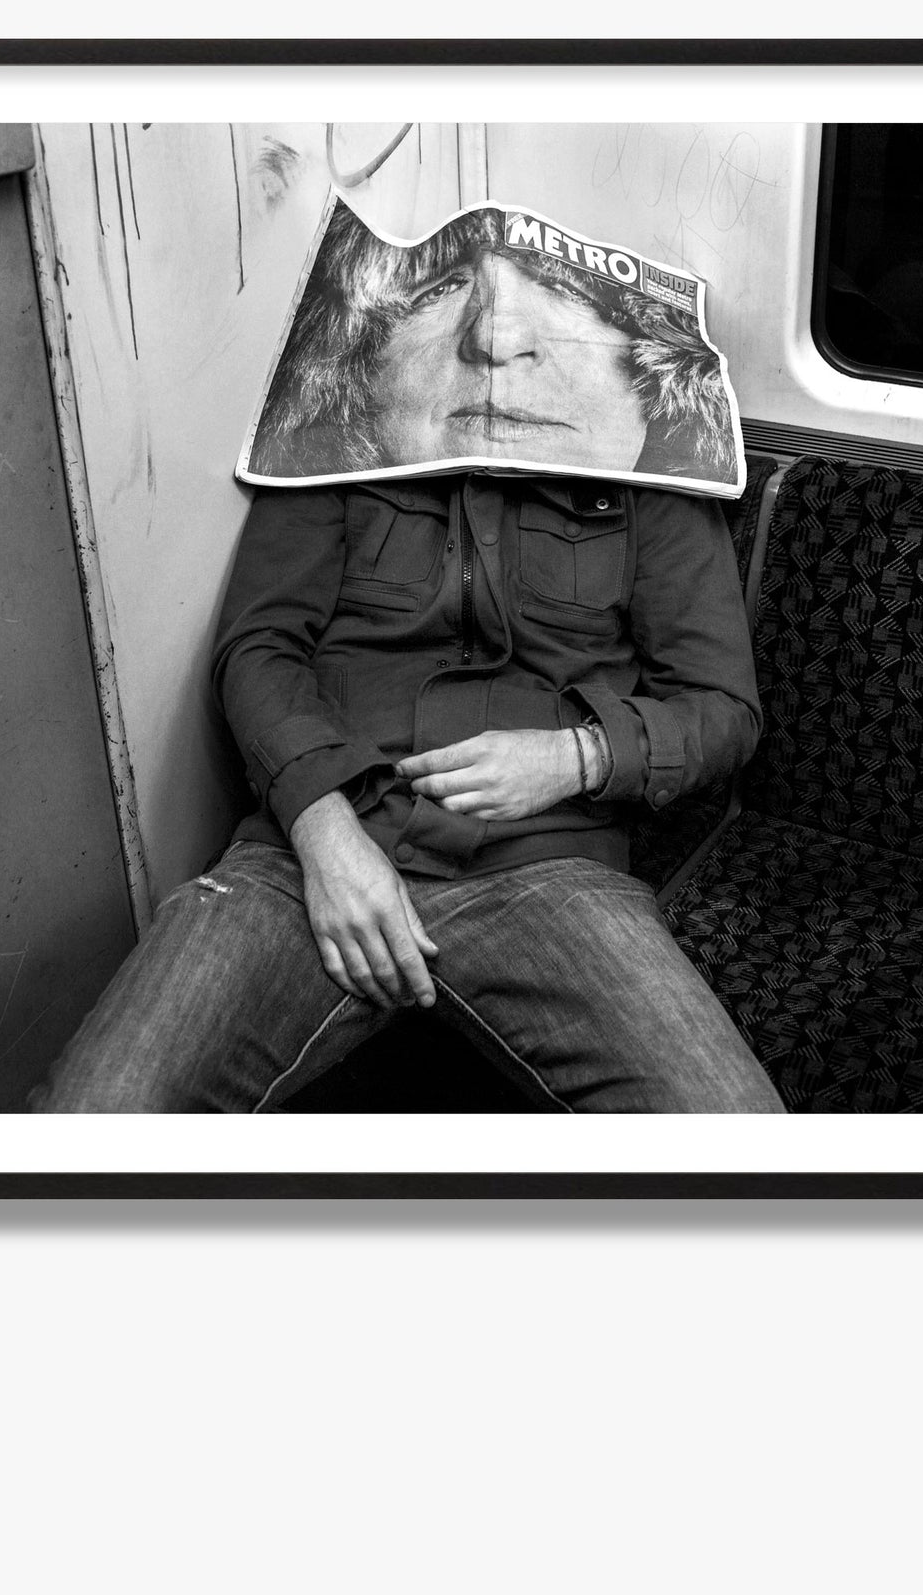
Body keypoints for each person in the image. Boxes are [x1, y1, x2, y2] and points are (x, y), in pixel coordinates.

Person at [39, 365, 783, 1114]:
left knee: (742, 1145)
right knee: (91, 1113)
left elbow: (722, 707)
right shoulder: (338, 436)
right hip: (315, 844)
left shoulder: (646, 467)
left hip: (545, 860)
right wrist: (324, 836)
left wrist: (574, 757)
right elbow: (259, 647)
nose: (503, 351)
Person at [247, 203, 740, 489]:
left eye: (571, 293)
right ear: (351, 369)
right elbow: (264, 644)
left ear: (664, 373)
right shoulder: (328, 500)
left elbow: (696, 666)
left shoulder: (669, 517)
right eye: (436, 290)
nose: (495, 340)